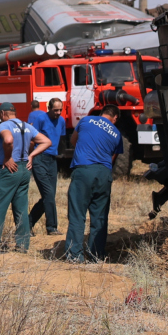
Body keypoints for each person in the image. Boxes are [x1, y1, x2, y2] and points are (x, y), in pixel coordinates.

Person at [0, 103, 50, 253]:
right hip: (24, 169)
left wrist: (7, 157)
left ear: (2, 113)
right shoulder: (27, 126)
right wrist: (31, 155)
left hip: (9, 169)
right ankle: (22, 245)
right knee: (20, 207)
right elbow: (46, 141)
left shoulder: (5, 125)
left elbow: (7, 140)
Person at [65, 105, 124, 263]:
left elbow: (73, 140)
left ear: (102, 113)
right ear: (115, 118)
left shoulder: (86, 120)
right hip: (104, 173)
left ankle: (74, 255)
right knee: (99, 217)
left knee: (77, 214)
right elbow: (112, 159)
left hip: (84, 170)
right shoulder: (117, 134)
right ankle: (95, 255)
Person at [28, 98, 66, 235]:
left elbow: (61, 139)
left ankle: (27, 224)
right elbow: (32, 139)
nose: (58, 112)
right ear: (49, 108)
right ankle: (52, 227)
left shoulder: (61, 121)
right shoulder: (40, 119)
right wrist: (30, 156)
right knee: (48, 194)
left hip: (52, 160)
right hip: (39, 158)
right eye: (56, 110)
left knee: (49, 196)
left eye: (60, 110)